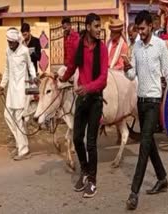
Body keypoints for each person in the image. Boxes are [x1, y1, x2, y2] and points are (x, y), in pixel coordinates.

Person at [123, 10, 168, 210]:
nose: (140, 32)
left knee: (144, 145)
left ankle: (133, 192)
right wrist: (126, 67)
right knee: (149, 143)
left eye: (143, 28)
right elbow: (132, 75)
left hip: (155, 101)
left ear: (151, 27)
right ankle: (162, 178)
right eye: (138, 29)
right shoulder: (136, 47)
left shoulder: (160, 46)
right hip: (141, 101)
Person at [58, 13, 108, 198]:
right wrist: (62, 79)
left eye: (99, 26)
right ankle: (85, 171)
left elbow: (103, 79)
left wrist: (87, 88)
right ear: (87, 27)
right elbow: (72, 65)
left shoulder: (102, 48)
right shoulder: (79, 45)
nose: (98, 29)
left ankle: (92, 180)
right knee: (77, 139)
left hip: (95, 100)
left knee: (91, 143)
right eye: (96, 26)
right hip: (82, 99)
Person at [0, 27, 37, 161]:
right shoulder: (8, 51)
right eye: (8, 42)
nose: (9, 44)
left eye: (11, 42)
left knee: (19, 120)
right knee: (8, 116)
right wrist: (2, 85)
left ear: (16, 42)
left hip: (22, 89)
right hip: (11, 91)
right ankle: (21, 143)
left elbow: (31, 66)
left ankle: (23, 150)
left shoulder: (24, 51)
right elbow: (7, 69)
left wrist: (34, 77)